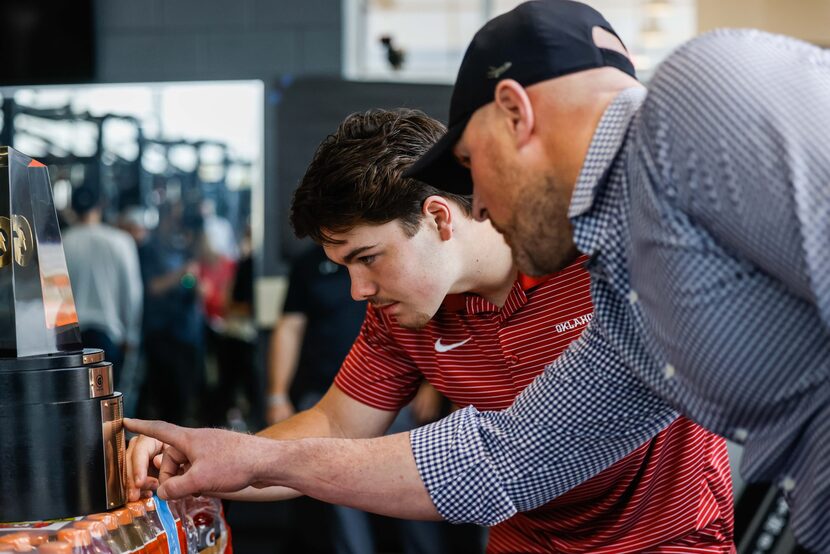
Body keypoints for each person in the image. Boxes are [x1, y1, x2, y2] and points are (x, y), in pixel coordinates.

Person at [128, 109, 735, 552]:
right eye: (345, 267)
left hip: (669, 539)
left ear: (439, 218)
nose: (358, 290)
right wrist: (199, 460)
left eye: (369, 258)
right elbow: (338, 426)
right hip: (524, 543)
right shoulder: (401, 317)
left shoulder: (597, 260)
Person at [63, 185, 142, 385]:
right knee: (108, 409)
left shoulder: (60, 242)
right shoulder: (121, 241)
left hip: (69, 340)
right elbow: (132, 294)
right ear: (100, 206)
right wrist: (131, 336)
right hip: (109, 337)